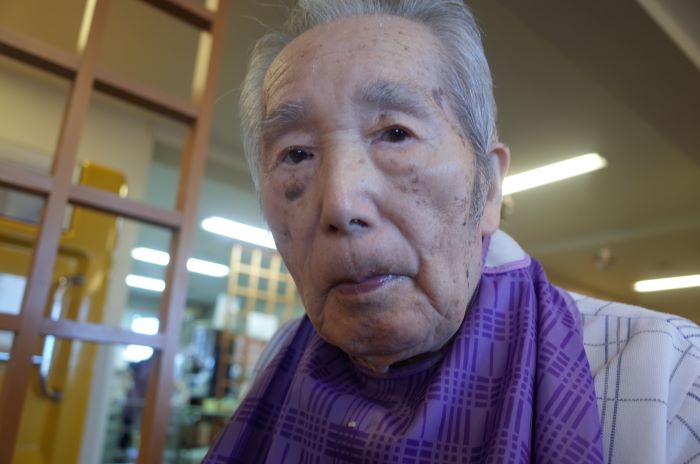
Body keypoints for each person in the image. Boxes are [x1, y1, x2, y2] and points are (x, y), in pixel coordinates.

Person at [204, 1, 700, 462]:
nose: (340, 204)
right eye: (295, 154)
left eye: (395, 134)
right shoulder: (278, 357)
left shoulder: (669, 376)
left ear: (489, 188)